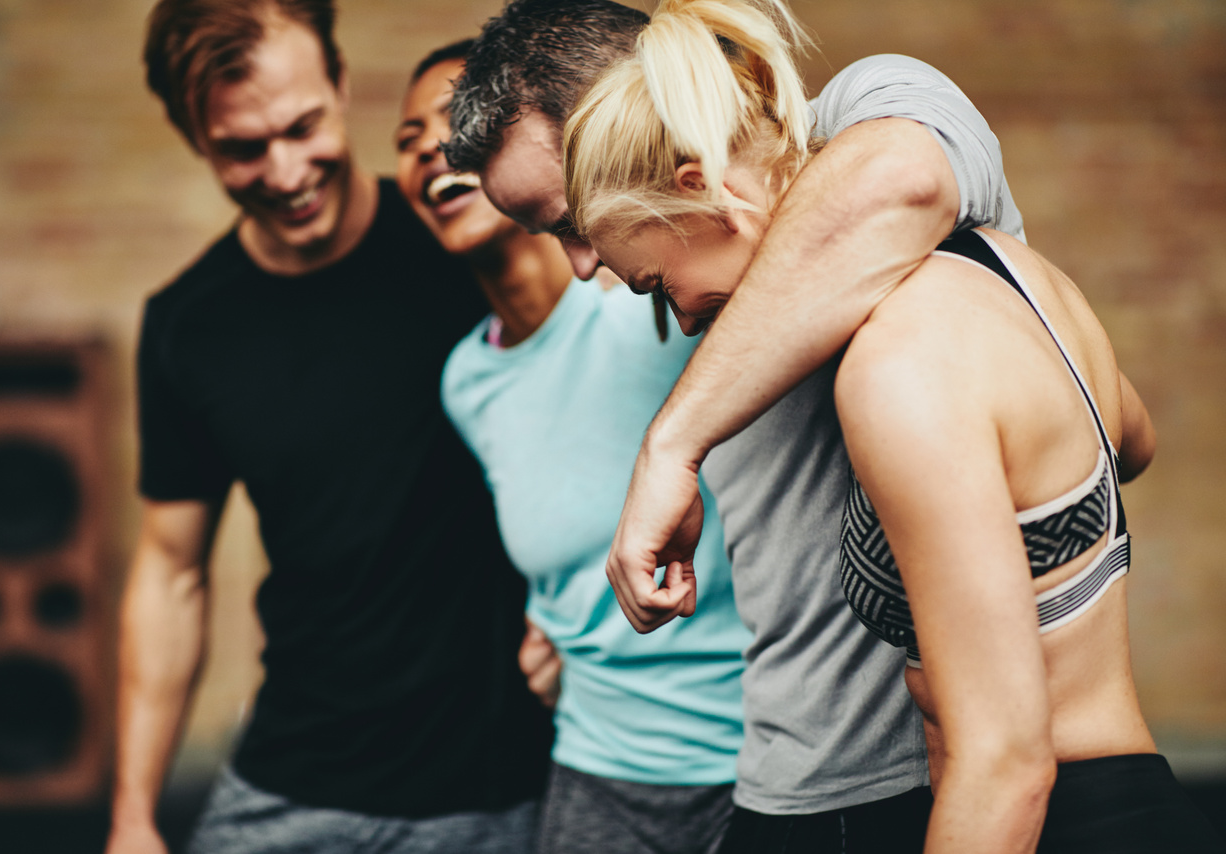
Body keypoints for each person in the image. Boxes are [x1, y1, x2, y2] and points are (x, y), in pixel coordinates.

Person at [562, 1, 1225, 851]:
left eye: (655, 284)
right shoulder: (1008, 269)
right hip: (1126, 794)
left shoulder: (895, 363)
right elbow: (1131, 436)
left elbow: (1007, 764)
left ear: (700, 186)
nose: (687, 327)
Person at [446, 0, 1022, 848]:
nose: (581, 264)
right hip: (775, 780)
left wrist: (669, 448)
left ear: (624, 114)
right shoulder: (684, 284)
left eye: (573, 221)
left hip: (913, 785)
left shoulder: (864, 108)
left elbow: (905, 178)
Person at [105, 2, 552, 853]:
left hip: (495, 789)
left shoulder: (466, 246)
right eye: (241, 147)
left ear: (341, 86)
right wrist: (131, 817)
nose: (284, 171)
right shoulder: (186, 326)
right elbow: (171, 574)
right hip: (293, 777)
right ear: (195, 137)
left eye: (302, 127)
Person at [395, 40, 753, 854]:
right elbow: (562, 543)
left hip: (754, 767)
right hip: (595, 777)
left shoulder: (662, 296)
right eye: (406, 141)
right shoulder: (468, 383)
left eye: (451, 127)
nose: (432, 150)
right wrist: (551, 623)